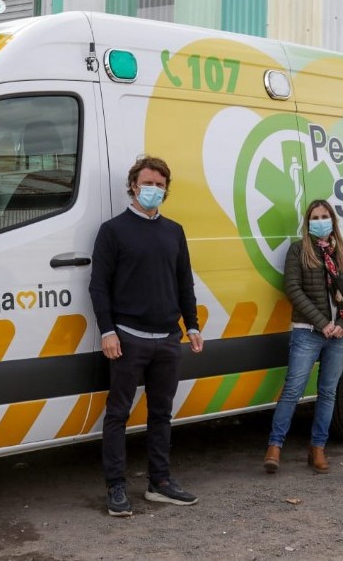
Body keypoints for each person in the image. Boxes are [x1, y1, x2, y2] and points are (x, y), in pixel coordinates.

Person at [89, 155, 204, 517]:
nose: (153, 189)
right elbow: (99, 287)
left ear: (166, 189)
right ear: (133, 186)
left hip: (168, 339)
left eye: (160, 184)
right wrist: (107, 330)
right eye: (147, 183)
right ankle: (116, 488)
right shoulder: (113, 230)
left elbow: (184, 282)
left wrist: (193, 325)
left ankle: (160, 483)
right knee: (117, 415)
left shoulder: (174, 231)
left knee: (161, 414)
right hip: (128, 338)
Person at [264, 199, 343, 474]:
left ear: (333, 220)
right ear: (308, 223)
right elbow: (292, 289)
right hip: (308, 332)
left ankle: (317, 447)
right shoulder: (299, 251)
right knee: (293, 390)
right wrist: (321, 323)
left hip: (340, 334)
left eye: (325, 216)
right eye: (315, 217)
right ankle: (275, 446)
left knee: (328, 392)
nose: (320, 221)